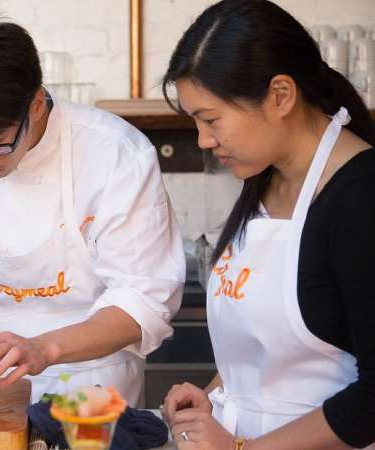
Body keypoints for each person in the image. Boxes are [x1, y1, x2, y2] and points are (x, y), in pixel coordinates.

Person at [0, 3, 185, 405]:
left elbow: (143, 299)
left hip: (97, 381)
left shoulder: (116, 153)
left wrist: (44, 348)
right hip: (0, 374)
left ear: (36, 104)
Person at [159, 1, 375, 449]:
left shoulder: (361, 197)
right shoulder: (265, 178)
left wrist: (243, 449)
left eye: (211, 119)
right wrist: (215, 394)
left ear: (280, 95)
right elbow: (272, 346)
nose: (203, 140)